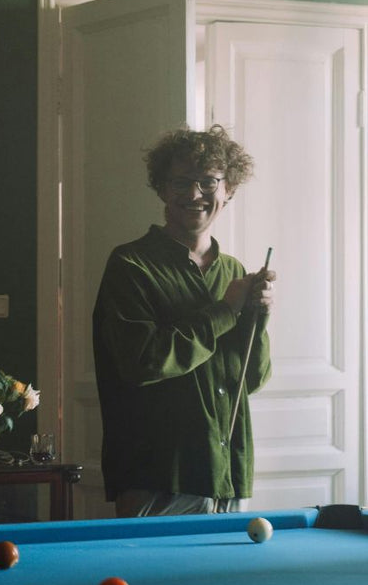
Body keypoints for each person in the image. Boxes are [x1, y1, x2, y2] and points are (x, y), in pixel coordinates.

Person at [92, 125, 275, 517]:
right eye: (180, 183)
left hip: (227, 475)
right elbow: (142, 362)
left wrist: (257, 320)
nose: (194, 195)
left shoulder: (234, 272)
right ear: (161, 188)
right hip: (158, 478)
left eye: (208, 181)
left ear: (229, 189)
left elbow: (252, 379)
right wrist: (226, 311)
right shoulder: (130, 265)